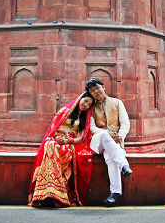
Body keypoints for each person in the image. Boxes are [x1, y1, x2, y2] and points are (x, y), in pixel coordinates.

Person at [28, 92, 95, 207]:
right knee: (51, 146)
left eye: (89, 104)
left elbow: (82, 138)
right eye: (85, 101)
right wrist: (58, 136)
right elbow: (54, 127)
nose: (86, 105)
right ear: (80, 99)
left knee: (63, 150)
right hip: (56, 138)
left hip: (69, 142)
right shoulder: (65, 111)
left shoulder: (85, 119)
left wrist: (67, 141)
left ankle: (55, 195)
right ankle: (45, 193)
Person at [85, 77, 132, 207]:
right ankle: (124, 165)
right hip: (97, 142)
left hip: (115, 143)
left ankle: (115, 194)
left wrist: (119, 136)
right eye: (92, 90)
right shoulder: (91, 107)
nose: (96, 91)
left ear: (103, 87)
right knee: (105, 137)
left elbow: (125, 123)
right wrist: (107, 133)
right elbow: (92, 128)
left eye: (98, 88)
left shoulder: (117, 102)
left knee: (110, 158)